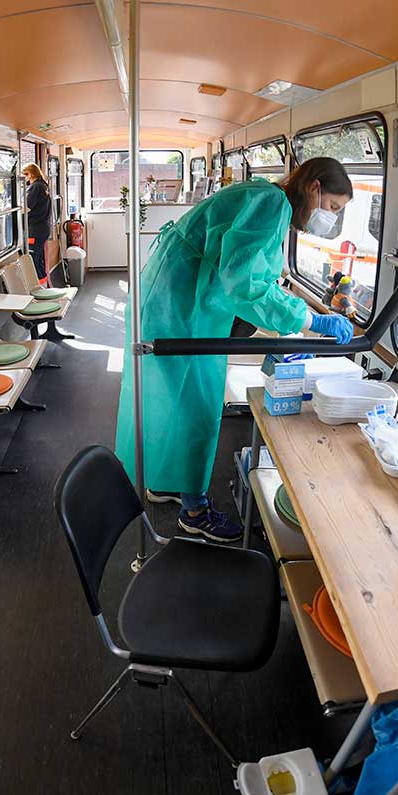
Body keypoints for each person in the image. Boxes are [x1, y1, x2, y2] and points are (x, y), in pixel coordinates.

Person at [115, 157, 355, 542]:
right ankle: (194, 509)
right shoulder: (271, 205)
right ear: (314, 187)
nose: (328, 218)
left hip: (179, 299)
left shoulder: (262, 196)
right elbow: (244, 283)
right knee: (197, 404)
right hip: (182, 306)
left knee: (171, 395)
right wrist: (312, 321)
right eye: (332, 207)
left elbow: (251, 272)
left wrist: (295, 313)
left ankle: (165, 481)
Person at [23, 163, 51, 282]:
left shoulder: (35, 187)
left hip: (35, 229)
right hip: (42, 227)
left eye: (25, 175)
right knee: (38, 258)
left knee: (34, 259)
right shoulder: (43, 185)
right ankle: (43, 285)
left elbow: (27, 207)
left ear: (29, 174)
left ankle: (40, 286)